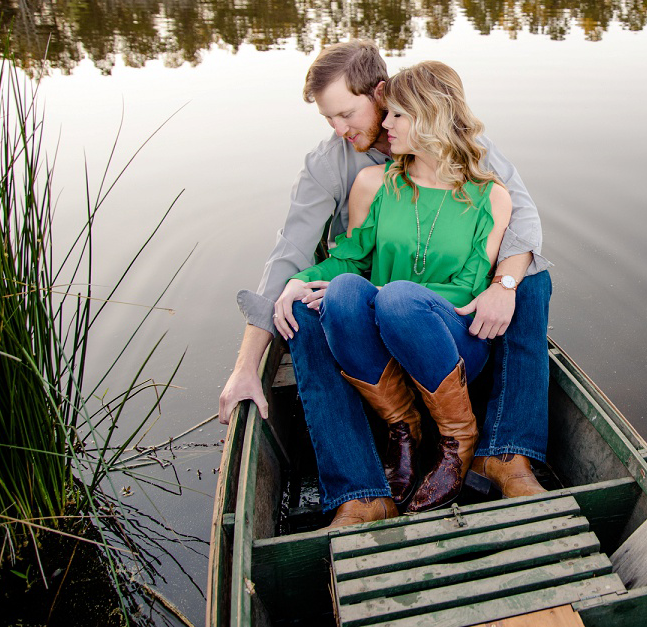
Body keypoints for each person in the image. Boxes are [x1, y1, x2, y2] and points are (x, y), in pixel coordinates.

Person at [217, 41, 552, 528]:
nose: (339, 130)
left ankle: (505, 452)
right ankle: (362, 491)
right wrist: (248, 364)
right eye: (328, 119)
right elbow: (289, 256)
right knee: (301, 314)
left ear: (382, 94)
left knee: (532, 279)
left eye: (348, 113)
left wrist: (503, 283)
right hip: (366, 307)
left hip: (439, 314)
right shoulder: (339, 168)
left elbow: (522, 221)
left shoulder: (471, 158)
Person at [290, 60, 511, 512]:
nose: (384, 124)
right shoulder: (373, 184)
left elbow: (471, 288)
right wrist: (299, 280)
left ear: (429, 116)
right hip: (383, 331)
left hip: (453, 339)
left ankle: (457, 442)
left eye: (395, 115)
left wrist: (399, 300)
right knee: (346, 289)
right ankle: (402, 429)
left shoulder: (491, 196)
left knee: (396, 298)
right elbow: (349, 259)